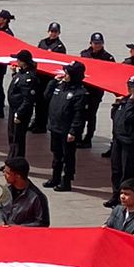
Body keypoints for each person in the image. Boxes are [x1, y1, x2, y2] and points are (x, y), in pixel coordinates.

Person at [106, 76, 134, 208]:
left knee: (126, 172)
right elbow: (115, 116)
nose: (129, 89)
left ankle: (125, 198)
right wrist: (116, 105)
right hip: (118, 139)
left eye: (132, 87)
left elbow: (130, 118)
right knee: (116, 170)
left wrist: (131, 103)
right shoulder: (125, 100)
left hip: (130, 142)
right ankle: (116, 195)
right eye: (129, 86)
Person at [44, 60, 90, 191]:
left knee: (67, 156)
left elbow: (79, 115)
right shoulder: (60, 86)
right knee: (56, 154)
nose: (65, 75)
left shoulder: (80, 93)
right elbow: (46, 96)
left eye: (68, 73)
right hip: (55, 127)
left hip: (67, 130)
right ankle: (55, 177)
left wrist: (73, 131)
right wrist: (53, 82)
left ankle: (66, 181)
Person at [0, 157, 50, 227]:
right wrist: (0, 221)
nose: (4, 174)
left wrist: (18, 228)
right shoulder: (7, 188)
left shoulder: (37, 197)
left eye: (7, 173)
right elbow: (0, 208)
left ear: (18, 176)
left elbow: (43, 223)